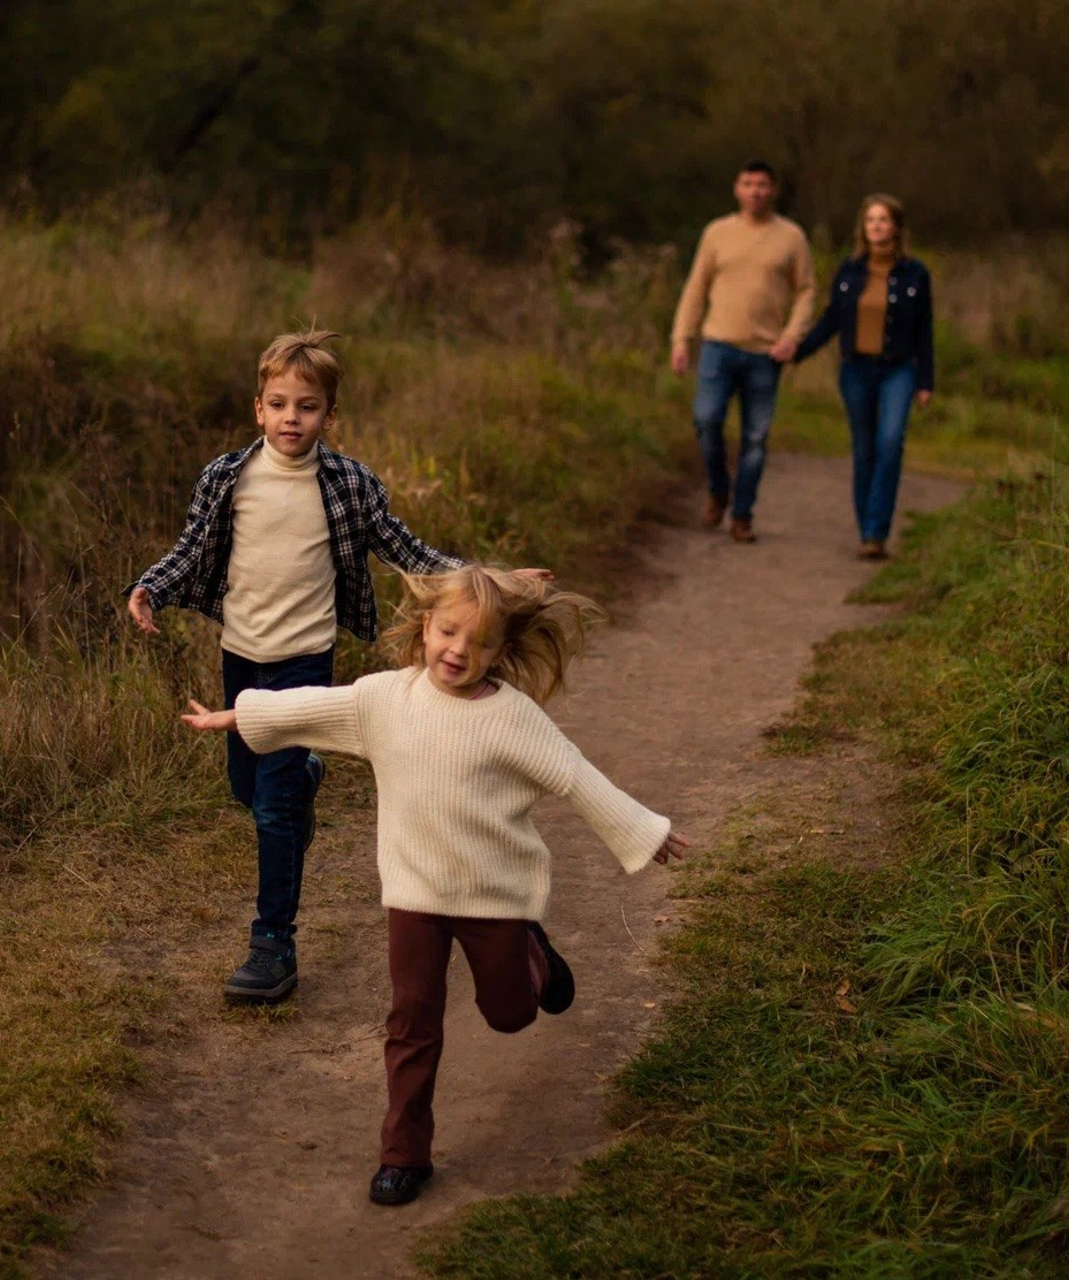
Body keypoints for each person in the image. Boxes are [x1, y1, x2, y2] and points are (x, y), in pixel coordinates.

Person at [181, 565, 690, 1206]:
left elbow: (576, 777)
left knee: (509, 1015)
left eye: (479, 642)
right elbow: (308, 706)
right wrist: (235, 715)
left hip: (493, 895)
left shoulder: (513, 718)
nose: (458, 650)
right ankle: (403, 1156)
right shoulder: (385, 700)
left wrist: (643, 829)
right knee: (411, 1022)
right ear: (426, 628)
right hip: (414, 895)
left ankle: (532, 955)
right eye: (448, 632)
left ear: (499, 651)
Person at [124, 329, 478, 1004]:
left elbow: (406, 550)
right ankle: (306, 777)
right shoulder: (226, 479)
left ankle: (272, 945)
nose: (293, 418)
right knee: (245, 786)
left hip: (306, 661)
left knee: (274, 808)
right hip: (241, 654)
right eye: (280, 404)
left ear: (329, 416)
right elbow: (192, 550)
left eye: (308, 407)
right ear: (258, 409)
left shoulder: (348, 485)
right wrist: (151, 588)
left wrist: (484, 579)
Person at [670, 160, 816, 543]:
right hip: (718, 346)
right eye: (748, 183)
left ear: (773, 190)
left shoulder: (791, 237)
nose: (755, 191)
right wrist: (681, 338)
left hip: (765, 353)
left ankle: (742, 514)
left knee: (755, 438)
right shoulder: (717, 232)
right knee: (706, 421)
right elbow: (696, 287)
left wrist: (792, 336)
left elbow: (806, 291)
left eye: (762, 184)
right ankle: (719, 489)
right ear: (737, 188)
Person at [794, 194, 934, 559]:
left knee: (890, 442)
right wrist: (797, 351)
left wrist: (925, 381)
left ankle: (876, 532)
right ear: (863, 227)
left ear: (896, 227)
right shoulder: (850, 270)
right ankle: (866, 530)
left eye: (883, 219)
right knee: (864, 447)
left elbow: (924, 330)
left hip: (898, 370)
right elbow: (832, 319)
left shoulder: (915, 274)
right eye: (871, 220)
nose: (877, 226)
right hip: (856, 369)